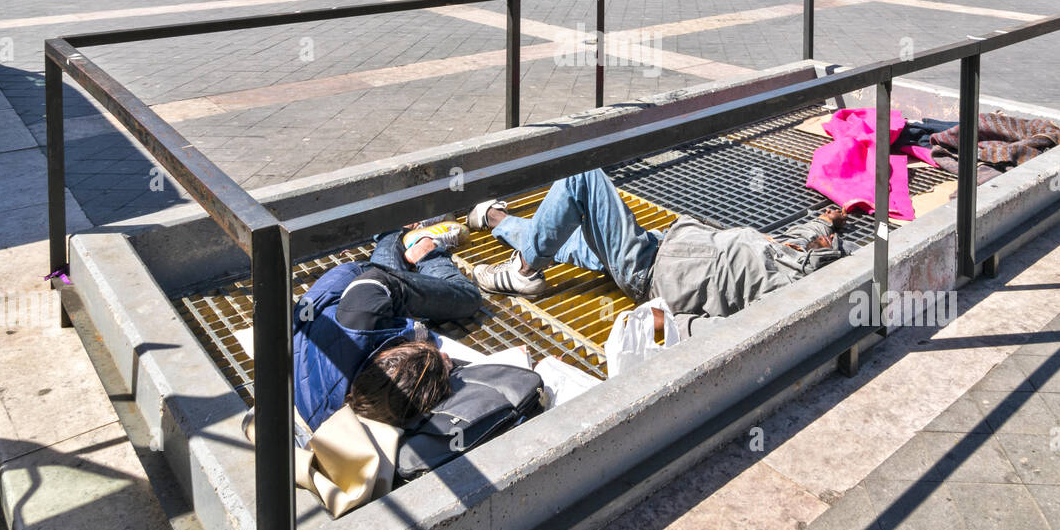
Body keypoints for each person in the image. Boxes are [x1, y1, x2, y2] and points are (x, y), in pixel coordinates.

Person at [463, 173, 850, 337]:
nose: (813, 241)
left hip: (649, 270)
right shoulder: (800, 256)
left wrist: (667, 323)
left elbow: (735, 335)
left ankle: (526, 271)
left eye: (821, 246)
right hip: (661, 243)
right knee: (572, 235)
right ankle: (500, 219)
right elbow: (802, 239)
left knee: (582, 176)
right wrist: (826, 223)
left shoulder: (789, 294)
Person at [292, 221, 481, 432]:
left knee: (468, 299)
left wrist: (429, 346)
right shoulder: (340, 418)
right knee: (396, 264)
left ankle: (423, 248)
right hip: (324, 328)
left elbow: (380, 278)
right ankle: (398, 232)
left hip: (355, 284)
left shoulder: (362, 317)